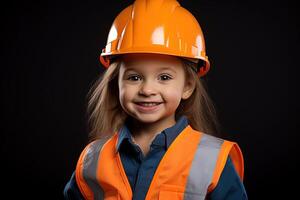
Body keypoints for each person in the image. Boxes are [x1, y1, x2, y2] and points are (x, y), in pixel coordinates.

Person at [64, 0, 248, 199]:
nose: (147, 89)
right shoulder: (93, 160)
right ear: (116, 83)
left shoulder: (212, 160)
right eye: (134, 77)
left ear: (187, 87)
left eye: (164, 77)